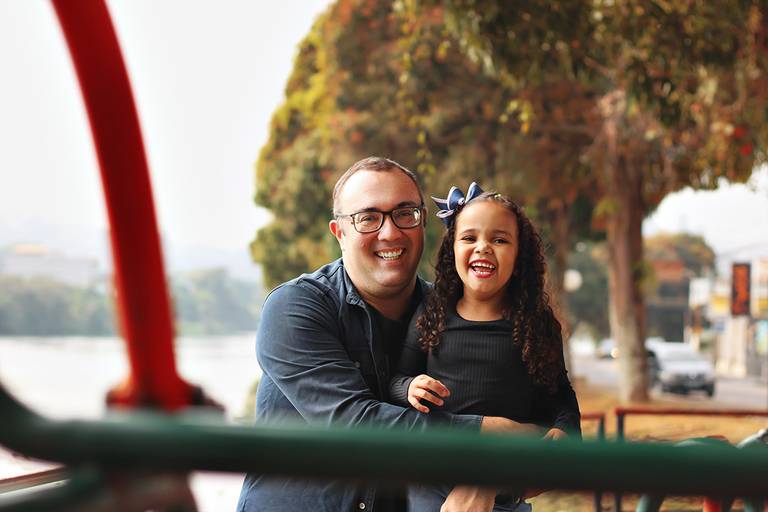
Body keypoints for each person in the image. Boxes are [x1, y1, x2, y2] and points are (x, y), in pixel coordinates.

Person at [237, 158, 538, 512]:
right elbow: (353, 424)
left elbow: (533, 433)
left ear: (423, 222)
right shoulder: (294, 307)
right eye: (367, 218)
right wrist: (483, 433)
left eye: (405, 213)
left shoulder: (459, 316)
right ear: (339, 233)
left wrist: (487, 481)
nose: (390, 232)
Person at [389, 183, 582, 512]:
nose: (483, 248)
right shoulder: (431, 313)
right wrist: (409, 387)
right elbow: (396, 380)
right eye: (470, 238)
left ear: (519, 255)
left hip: (505, 491)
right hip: (431, 485)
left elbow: (560, 397)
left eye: (500, 239)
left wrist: (564, 431)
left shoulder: (537, 324)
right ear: (452, 249)